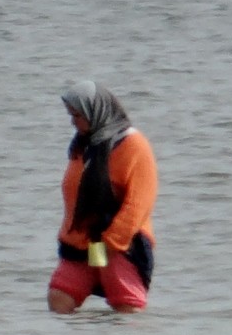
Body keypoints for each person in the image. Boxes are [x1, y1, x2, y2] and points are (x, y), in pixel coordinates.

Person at [47, 81, 158, 314]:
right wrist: (70, 238)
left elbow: (139, 204)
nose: (72, 122)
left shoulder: (134, 146)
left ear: (94, 111)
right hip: (82, 243)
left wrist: (112, 242)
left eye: (77, 115)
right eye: (71, 115)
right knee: (60, 298)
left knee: (125, 306)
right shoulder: (83, 146)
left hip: (121, 244)